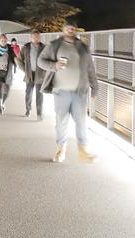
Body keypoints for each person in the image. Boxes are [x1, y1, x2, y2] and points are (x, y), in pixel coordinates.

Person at [38, 23, 100, 163]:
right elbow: (40, 61)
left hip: (79, 91)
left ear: (75, 30)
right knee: (61, 122)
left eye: (72, 28)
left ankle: (83, 151)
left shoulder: (83, 47)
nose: (70, 30)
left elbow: (90, 68)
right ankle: (61, 149)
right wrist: (54, 66)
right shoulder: (54, 45)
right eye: (68, 28)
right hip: (61, 91)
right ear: (63, 29)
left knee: (81, 121)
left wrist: (95, 87)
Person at [19, 30, 46, 119]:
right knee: (28, 93)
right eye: (34, 37)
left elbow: (48, 60)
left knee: (39, 94)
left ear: (40, 37)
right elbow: (20, 59)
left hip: (40, 74)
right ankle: (28, 110)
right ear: (31, 38)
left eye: (37, 37)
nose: (36, 39)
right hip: (29, 74)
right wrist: (24, 70)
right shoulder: (26, 47)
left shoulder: (44, 47)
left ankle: (39, 113)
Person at [0, 33, 18, 114]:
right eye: (2, 40)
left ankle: (3, 102)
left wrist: (17, 65)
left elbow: (15, 59)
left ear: (7, 41)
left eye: (5, 40)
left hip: (8, 72)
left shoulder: (10, 49)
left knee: (7, 91)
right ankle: (0, 107)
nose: (3, 41)